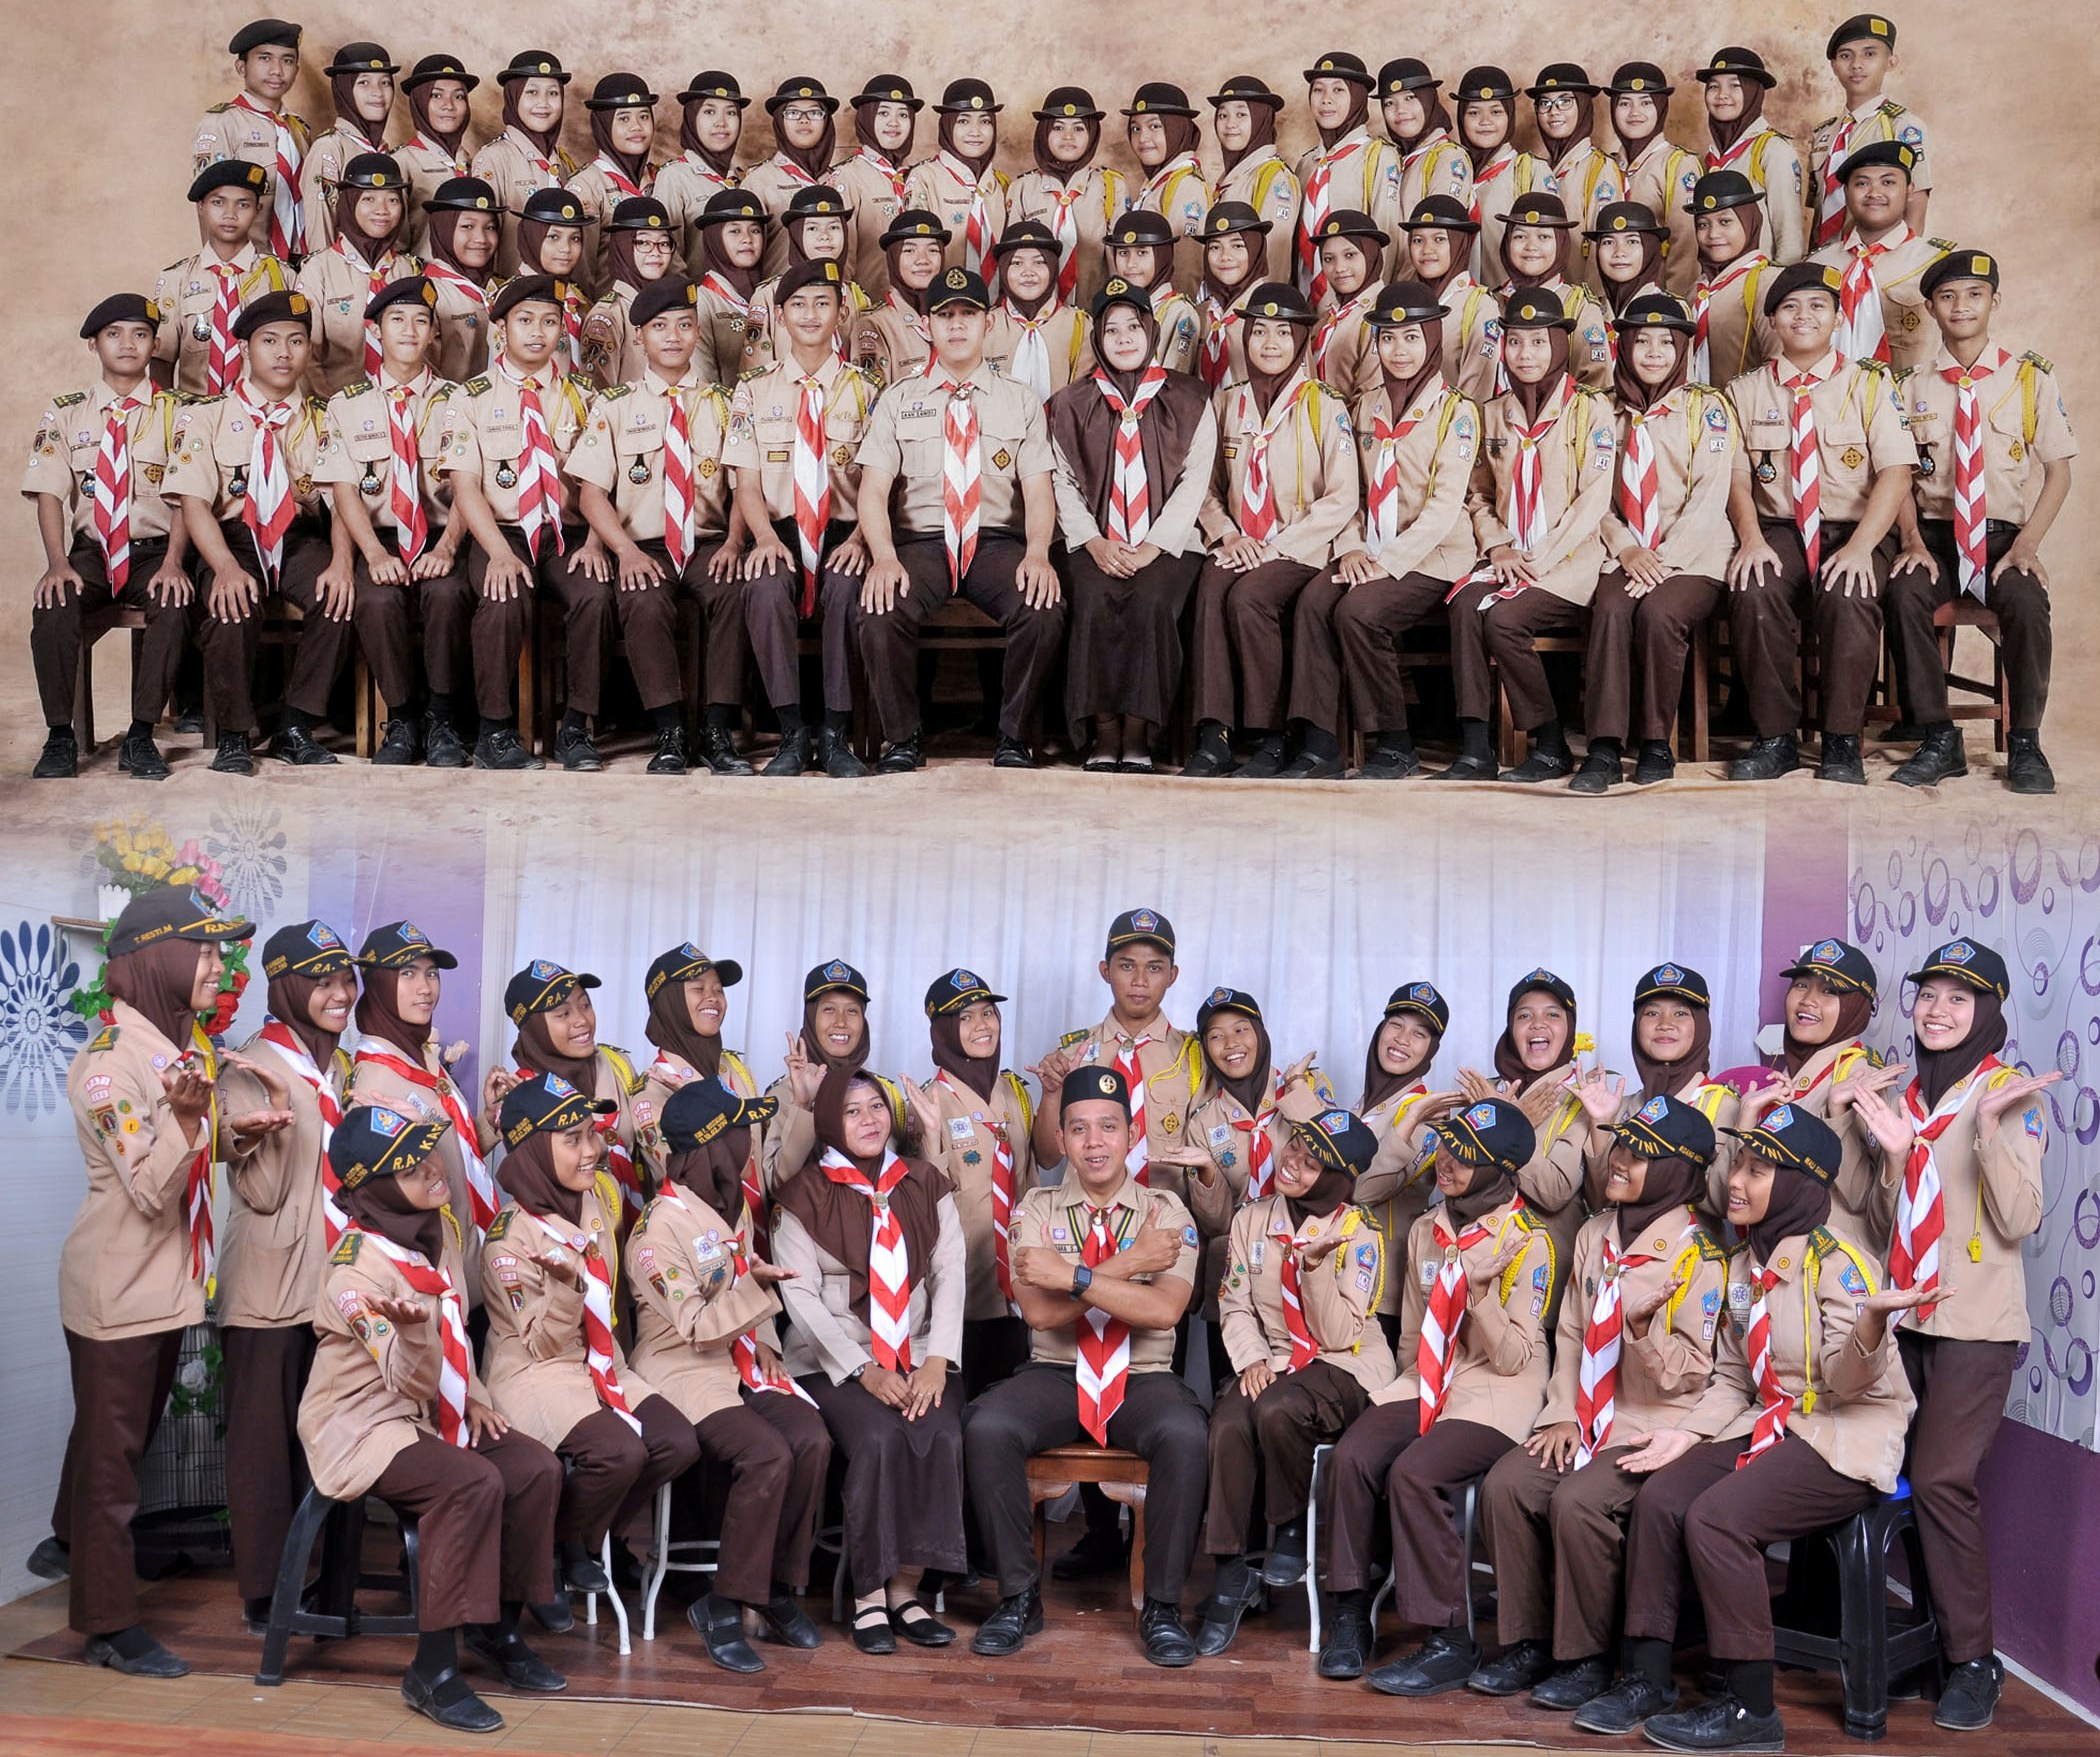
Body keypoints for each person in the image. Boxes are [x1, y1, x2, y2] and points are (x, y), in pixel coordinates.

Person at [1579, 1104, 1915, 1752]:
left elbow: (1850, 1386)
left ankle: (1751, 1707)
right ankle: (1648, 1678)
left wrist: (1871, 1325)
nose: (1735, 1180)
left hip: (1843, 1430)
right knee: (1660, 1496)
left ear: (1798, 1183)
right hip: (1769, 1419)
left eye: (1758, 1171)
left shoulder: (1838, 1261)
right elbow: (1736, 1377)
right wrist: (1687, 1435)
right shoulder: (1743, 1264)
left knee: (1717, 1518)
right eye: (1739, 1164)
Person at [48, 888, 271, 1678]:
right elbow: (148, 1188)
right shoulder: (109, 1066)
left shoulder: (179, 1052)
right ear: (159, 959)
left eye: (219, 952)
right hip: (118, 1293)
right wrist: (187, 1121)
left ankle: (69, 1540)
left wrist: (233, 1133)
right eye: (203, 952)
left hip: (161, 1288)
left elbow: (189, 1152)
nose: (218, 966)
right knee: (115, 1469)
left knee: (116, 1448)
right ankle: (108, 1625)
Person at [300, 1105, 566, 1733]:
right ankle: (433, 1670)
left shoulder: (434, 1233)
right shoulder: (353, 1271)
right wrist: (416, 1338)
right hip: (364, 1424)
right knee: (468, 1482)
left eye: (426, 1152)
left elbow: (454, 1339)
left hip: (430, 1409)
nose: (431, 1168)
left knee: (535, 1467)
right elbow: (407, 1375)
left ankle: (497, 1629)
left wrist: (472, 1394)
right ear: (373, 1187)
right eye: (408, 1166)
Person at [1850, 940, 2055, 1732]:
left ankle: (1975, 1660)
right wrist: (1895, 1155)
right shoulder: (1902, 1093)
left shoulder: (2009, 1093)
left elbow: (2020, 1218)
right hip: (1904, 1315)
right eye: (1929, 994)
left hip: (1974, 1327)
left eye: (1958, 998)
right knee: (1880, 1472)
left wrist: (1990, 1132)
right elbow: (1881, 1220)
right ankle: (1930, 1646)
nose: (1937, 1010)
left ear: (1988, 1011)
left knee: (1939, 1479)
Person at [1472, 1094, 1728, 1713]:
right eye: (1622, 1145)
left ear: (1676, 1171)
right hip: (1584, 1414)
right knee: (1508, 1484)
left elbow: (1689, 1377)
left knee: (1579, 1501)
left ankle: (1585, 1657)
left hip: (1654, 1423)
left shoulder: (1702, 1253)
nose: (1620, 1159)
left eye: (1641, 1154)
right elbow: (1569, 1333)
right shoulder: (1595, 1232)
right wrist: (1562, 1410)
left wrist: (1642, 1333)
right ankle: (1529, 1642)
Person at [965, 1065, 1209, 1666]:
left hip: (1142, 1375)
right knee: (987, 1426)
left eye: (1108, 1126)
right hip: (1057, 1370)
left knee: (1185, 1435)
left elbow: (1163, 1311)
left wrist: (1069, 1275)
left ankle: (1162, 1607)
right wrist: (1131, 1263)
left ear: (1131, 1134)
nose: (1094, 1141)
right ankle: (1018, 1596)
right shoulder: (1036, 1207)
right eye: (1078, 1129)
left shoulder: (1167, 1211)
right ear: (1062, 1138)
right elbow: (1040, 1314)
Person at [1318, 1096, 1555, 1687]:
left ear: (1498, 1169)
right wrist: (1403, 1388)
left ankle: (1448, 1639)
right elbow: (1412, 1333)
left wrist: (1479, 1295)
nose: (1446, 1161)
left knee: (1415, 1473)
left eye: (1466, 1156)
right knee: (1351, 1457)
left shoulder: (1529, 1241)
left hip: (1496, 1392)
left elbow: (1513, 1358)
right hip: (1427, 1379)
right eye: (1447, 1146)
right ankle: (1351, 1610)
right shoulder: (1427, 1228)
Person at [624, 1079, 831, 1671]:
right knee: (766, 1454)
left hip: (739, 1358)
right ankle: (723, 1605)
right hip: (683, 1368)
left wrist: (765, 1340)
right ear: (711, 1146)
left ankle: (775, 1589)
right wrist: (755, 1295)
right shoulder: (656, 1230)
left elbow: (745, 1278)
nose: (749, 1143)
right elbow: (695, 1325)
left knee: (811, 1439)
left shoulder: (726, 1203)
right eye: (740, 1132)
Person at [480, 1072, 701, 1605]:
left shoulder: (594, 1201)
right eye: (573, 1139)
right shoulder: (508, 1240)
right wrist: (564, 1287)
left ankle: (575, 1537)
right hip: (537, 1372)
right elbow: (539, 1345)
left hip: (601, 1362)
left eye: (592, 1135)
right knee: (619, 1453)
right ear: (535, 1149)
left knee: (678, 1442)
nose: (593, 1151)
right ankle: (562, 1549)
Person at [773, 1070, 968, 1653]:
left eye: (877, 1107)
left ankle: (907, 1591)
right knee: (879, 1437)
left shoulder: (925, 1182)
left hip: (919, 1354)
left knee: (938, 1430)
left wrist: (937, 1361)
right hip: (834, 1363)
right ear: (830, 1121)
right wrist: (863, 1370)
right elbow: (799, 1296)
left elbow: (951, 1272)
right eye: (852, 1110)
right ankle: (869, 1598)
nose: (868, 1120)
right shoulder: (803, 1194)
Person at [1197, 1108, 1394, 1655]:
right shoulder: (1252, 1218)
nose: (1293, 1163)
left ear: (1337, 1178)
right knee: (1229, 1422)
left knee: (1278, 1408)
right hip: (1274, 1359)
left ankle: (1289, 1524)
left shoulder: (1360, 1235)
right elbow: (1234, 1302)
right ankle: (1230, 1575)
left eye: (1311, 1163)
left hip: (1344, 1363)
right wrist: (1251, 1361)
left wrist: (1313, 1270)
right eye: (1295, 1148)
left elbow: (1338, 1333)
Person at [854, 266, 1065, 772]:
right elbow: (874, 490)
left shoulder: (1019, 399)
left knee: (1043, 607)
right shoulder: (899, 398)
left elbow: (1038, 490)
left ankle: (1013, 735)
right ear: (927, 325)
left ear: (988, 322)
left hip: (995, 542)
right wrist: (883, 557)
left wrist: (1038, 553)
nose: (955, 325)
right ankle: (903, 737)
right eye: (944, 315)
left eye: (967, 314)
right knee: (880, 611)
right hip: (922, 542)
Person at [1721, 260, 1915, 785]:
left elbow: (1896, 474)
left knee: (1849, 592)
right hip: (1779, 527)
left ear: (1838, 318)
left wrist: (1860, 548)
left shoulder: (1869, 384)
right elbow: (1737, 479)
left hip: (1856, 528)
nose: (1803, 316)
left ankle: (1841, 740)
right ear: (1773, 321)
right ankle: (1776, 738)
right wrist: (1751, 539)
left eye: (1817, 306)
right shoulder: (1745, 391)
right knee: (1753, 587)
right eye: (1789, 307)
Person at [1886, 250, 2072, 794]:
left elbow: (2059, 472)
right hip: (1935, 537)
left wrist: (2027, 545)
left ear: (1995, 301)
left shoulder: (2029, 378)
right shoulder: (1909, 386)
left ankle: (2026, 741)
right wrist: (1912, 539)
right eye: (1946, 296)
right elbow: (1896, 474)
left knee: (2028, 603)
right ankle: (1938, 736)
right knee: (1902, 593)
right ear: (1930, 308)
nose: (1960, 306)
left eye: (1974, 294)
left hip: (2002, 540)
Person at [217, 920, 352, 1630]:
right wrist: (268, 1124)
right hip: (268, 1290)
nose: (340, 994)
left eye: (346, 980)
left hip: (332, 1286)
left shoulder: (342, 1068)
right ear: (289, 986)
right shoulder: (250, 1064)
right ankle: (265, 1595)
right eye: (322, 981)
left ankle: (317, 1580)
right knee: (264, 1447)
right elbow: (263, 1193)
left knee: (322, 1437)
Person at [568, 276, 753, 778]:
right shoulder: (615, 405)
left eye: (684, 325)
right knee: (643, 600)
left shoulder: (724, 402)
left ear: (698, 333)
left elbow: (743, 484)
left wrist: (736, 541)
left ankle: (717, 730)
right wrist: (624, 551)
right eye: (659, 327)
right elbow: (591, 493)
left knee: (734, 592)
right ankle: (669, 730)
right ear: (638, 337)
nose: (673, 336)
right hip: (643, 544)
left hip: (708, 543)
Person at [166, 290, 352, 774]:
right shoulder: (206, 416)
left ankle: (295, 724)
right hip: (231, 538)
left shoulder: (324, 417)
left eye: (296, 341)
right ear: (245, 348)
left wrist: (341, 563)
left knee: (337, 596)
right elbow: (193, 503)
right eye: (269, 340)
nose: (283, 352)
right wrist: (224, 567)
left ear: (309, 350)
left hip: (298, 537)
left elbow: (341, 502)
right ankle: (234, 733)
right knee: (232, 606)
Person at [1434, 289, 1615, 783]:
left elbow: (1593, 500)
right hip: (1507, 556)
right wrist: (1497, 545)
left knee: (1504, 620)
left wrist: (1539, 558)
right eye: (1515, 342)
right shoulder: (1493, 412)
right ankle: (1476, 746)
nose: (1525, 354)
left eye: (1538, 342)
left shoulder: (1590, 411)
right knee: (1463, 606)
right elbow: (1478, 494)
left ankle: (1550, 743)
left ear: (1559, 345)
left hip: (1566, 563)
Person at [1303, 280, 1479, 780]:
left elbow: (1444, 508)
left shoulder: (1457, 412)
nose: (1399, 350)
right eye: (1388, 338)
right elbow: (1351, 491)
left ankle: (1395, 744)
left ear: (1432, 339)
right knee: (1313, 600)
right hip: (1368, 548)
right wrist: (1351, 547)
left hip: (1432, 556)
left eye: (1411, 338)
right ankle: (1319, 742)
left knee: (1359, 613)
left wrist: (1388, 563)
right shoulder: (1365, 405)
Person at [1182, 282, 1358, 779]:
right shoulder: (1226, 402)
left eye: (1284, 333)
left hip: (1302, 547)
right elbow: (1205, 486)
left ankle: (1270, 735)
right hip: (1241, 543)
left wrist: (1275, 548)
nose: (1270, 343)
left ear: (1301, 339)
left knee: (1250, 597)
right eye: (1260, 332)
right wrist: (1227, 536)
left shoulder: (1324, 404)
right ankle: (1214, 733)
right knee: (1210, 586)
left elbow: (1342, 496)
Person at [1049, 278, 1217, 773]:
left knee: (1149, 602)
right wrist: (1093, 542)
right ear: (1098, 338)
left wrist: (1153, 546)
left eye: (1133, 328)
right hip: (1092, 540)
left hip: (1169, 543)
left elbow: (1194, 482)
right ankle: (1103, 731)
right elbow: (1061, 481)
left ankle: (1141, 731)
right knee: (1094, 599)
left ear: (1151, 332)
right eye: (1112, 330)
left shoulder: (1190, 398)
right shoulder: (1070, 403)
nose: (1123, 339)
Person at [438, 275, 601, 771]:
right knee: (503, 598)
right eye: (525, 321)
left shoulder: (584, 395)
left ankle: (576, 728)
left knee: (595, 595)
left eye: (549, 322)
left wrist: (595, 542)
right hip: (501, 531)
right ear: (501, 330)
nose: (537, 331)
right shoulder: (470, 397)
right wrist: (498, 552)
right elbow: (466, 487)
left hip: (566, 533)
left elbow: (602, 481)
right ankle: (494, 731)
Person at [1578, 291, 1740, 791]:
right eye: (1641, 341)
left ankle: (1654, 742)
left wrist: (1664, 560)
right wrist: (1626, 547)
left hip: (1694, 555)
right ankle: (1605, 746)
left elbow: (1710, 497)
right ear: (1624, 347)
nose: (1653, 353)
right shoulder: (1601, 411)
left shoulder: (1707, 408)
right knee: (1610, 610)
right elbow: (1592, 495)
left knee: (1659, 614)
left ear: (1682, 350)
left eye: (1665, 342)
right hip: (1625, 552)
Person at [25, 295, 191, 781]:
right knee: (53, 604)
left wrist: (174, 562)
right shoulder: (66, 413)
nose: (127, 344)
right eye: (113, 334)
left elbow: (188, 496)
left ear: (155, 345)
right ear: (94, 345)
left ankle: (140, 735)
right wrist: (57, 563)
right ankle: (60, 736)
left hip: (154, 553)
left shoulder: (179, 412)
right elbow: (49, 493)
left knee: (174, 602)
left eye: (140, 334)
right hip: (91, 555)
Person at [727, 259, 881, 777]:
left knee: (849, 588)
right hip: (780, 529)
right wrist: (763, 538)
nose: (811, 314)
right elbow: (747, 481)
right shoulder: (753, 389)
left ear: (841, 314)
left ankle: (836, 733)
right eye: (798, 304)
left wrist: (861, 539)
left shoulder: (867, 388)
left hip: (847, 529)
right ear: (780, 315)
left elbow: (880, 482)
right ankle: (791, 732)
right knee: (764, 587)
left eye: (822, 303)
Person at [345, 919, 509, 1280]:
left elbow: (449, 1154)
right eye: (408, 973)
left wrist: (488, 1119)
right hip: (430, 1272)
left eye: (431, 973)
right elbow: (391, 1195)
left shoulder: (421, 1058)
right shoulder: (373, 1081)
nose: (426, 988)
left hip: (467, 1261)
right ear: (379, 983)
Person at [914, 969, 1039, 1397]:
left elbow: (1031, 1176)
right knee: (963, 1405)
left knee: (1015, 1402)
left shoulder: (1014, 1092)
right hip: (963, 1290)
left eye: (988, 1013)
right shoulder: (929, 1101)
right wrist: (931, 1137)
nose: (982, 1025)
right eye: (965, 1017)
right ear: (943, 1030)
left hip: (1023, 1286)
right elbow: (922, 1202)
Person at [1735, 936, 1892, 1244]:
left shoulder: (1860, 1076)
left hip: (1827, 1260)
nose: (1808, 1000)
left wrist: (1836, 1113)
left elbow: (1861, 1196)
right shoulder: (1783, 1076)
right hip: (1770, 1254)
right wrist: (1746, 1116)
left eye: (1830, 991)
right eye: (1801, 985)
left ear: (1855, 1006)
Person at [1573, 962, 1741, 1200]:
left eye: (1681, 1013)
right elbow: (1601, 1201)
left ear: (1702, 1025)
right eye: (1652, 1013)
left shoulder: (1724, 1107)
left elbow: (1720, 1202)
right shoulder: (1621, 1106)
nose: (1665, 1024)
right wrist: (1600, 1122)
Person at [1345, 983, 1455, 1341]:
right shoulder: (1363, 1105)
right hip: (1339, 1276)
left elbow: (1361, 1191)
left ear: (1431, 1050)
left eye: (1419, 1034)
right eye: (1396, 1025)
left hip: (1383, 1287)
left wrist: (1411, 1120)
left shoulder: (1429, 1115)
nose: (1403, 1040)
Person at [503, 962, 650, 1220]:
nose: (582, 1020)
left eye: (585, 1005)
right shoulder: (522, 1093)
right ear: (535, 1026)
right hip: (572, 1228)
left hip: (635, 1222)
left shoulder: (617, 1066)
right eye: (563, 1014)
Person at [760, 958, 912, 1200]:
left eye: (852, 1011)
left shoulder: (884, 1093)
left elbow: (907, 1183)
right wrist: (802, 1106)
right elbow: (775, 1187)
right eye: (829, 1010)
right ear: (811, 1017)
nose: (841, 1022)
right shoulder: (782, 1095)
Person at [631, 943, 764, 1195]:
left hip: (756, 1220)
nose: (713, 997)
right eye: (698, 989)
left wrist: (800, 1104)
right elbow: (703, 1178)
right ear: (671, 1002)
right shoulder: (651, 1095)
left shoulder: (737, 1072)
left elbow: (764, 1171)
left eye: (718, 989)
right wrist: (703, 1101)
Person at [153, 162, 290, 401]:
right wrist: (166, 413)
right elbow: (161, 360)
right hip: (195, 412)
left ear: (258, 210)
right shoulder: (176, 279)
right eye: (218, 202)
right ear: (201, 207)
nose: (230, 214)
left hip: (261, 413)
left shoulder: (281, 276)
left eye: (243, 204)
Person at [1810, 142, 1949, 373]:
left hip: (1909, 393)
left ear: (1909, 190)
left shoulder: (1938, 263)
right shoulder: (1818, 264)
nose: (1874, 193)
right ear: (1846, 192)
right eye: (1862, 183)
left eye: (1888, 182)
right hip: (1831, 393)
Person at [294, 153, 422, 399]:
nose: (382, 210)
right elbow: (306, 355)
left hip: (402, 405)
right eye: (368, 199)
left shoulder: (408, 270)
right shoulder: (318, 270)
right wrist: (334, 407)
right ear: (349, 203)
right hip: (335, 405)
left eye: (392, 200)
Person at [191, 19, 311, 262]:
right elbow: (212, 205)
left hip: (301, 262)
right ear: (241, 67)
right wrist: (223, 272)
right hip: (251, 263)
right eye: (265, 58)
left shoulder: (298, 129)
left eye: (287, 60)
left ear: (296, 70)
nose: (277, 70)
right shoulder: (222, 123)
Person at [1810, 13, 1932, 247]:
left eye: (1869, 54)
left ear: (1890, 62)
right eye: (1845, 56)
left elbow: (1915, 210)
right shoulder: (1823, 134)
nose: (1856, 64)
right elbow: (1817, 212)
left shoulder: (1903, 126)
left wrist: (1898, 262)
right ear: (1834, 66)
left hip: (1874, 257)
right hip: (1824, 258)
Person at [1293, 53, 1402, 305]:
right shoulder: (1306, 164)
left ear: (1357, 97)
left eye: (1338, 90)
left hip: (1355, 302)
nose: (1326, 99)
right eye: (1318, 90)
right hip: (1304, 303)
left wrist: (1372, 304)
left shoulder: (1377, 157)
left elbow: (1388, 236)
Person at [1008, 87, 1129, 311]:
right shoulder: (1022, 189)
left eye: (1079, 128)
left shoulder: (1110, 187)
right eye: (1058, 127)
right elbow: (1010, 260)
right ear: (1044, 132)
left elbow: (1119, 262)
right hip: (1037, 315)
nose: (1068, 136)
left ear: (1092, 134)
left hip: (1094, 312)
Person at [741, 187, 875, 376]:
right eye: (812, 228)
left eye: (834, 227)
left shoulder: (857, 296)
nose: (825, 236)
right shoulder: (769, 296)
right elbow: (757, 373)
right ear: (796, 234)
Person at [1695, 48, 1807, 267]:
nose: (1722, 95)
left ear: (1753, 92)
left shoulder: (1772, 150)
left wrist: (1780, 281)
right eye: (1714, 87)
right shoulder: (1710, 157)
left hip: (1757, 280)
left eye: (1734, 86)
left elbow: (1789, 237)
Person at [471, 51, 577, 277]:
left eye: (553, 93)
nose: (543, 103)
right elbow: (480, 241)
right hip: (513, 289)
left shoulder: (562, 163)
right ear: (513, 96)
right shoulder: (494, 158)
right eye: (532, 92)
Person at [1495, 194, 1612, 391]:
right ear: (1507, 242)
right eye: (1520, 236)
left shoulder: (1579, 307)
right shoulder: (1493, 301)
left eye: (1544, 237)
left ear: (1561, 242)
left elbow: (1596, 384)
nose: (1531, 246)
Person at [1453, 68, 1555, 289]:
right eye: (1474, 113)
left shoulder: (1530, 171)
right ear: (1461, 118)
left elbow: (1550, 248)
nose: (1485, 121)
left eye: (1496, 112)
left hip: (1514, 299)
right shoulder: (1454, 171)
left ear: (1510, 115)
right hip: (1457, 300)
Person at [1607, 64, 1700, 297]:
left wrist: (1676, 301)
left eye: (1646, 103)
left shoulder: (1677, 164)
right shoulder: (1605, 166)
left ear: (1660, 107)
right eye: (1624, 103)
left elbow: (1685, 243)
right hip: (1610, 296)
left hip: (1656, 298)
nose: (1634, 112)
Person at [568, 74, 663, 299]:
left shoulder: (660, 178)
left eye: (644, 116)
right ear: (603, 124)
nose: (636, 127)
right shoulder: (586, 186)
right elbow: (580, 272)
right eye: (623, 119)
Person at [1400, 197, 1502, 404]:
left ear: (1459, 244)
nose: (1427, 250)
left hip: (1451, 419)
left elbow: (1476, 391)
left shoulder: (1479, 306)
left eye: (1439, 239)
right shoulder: (1400, 299)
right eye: (1418, 240)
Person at [1527, 65, 1622, 289]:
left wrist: (1591, 304)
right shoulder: (1535, 168)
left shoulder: (1599, 168)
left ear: (1583, 105)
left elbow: (1605, 245)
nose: (1554, 111)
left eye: (1565, 101)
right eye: (1545, 103)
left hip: (1578, 298)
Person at [300, 42, 397, 255]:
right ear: (344, 90)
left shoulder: (386, 152)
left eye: (385, 83)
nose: (377, 93)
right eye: (364, 83)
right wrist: (327, 272)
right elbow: (320, 238)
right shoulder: (330, 149)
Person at [1687, 171, 1779, 389]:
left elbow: (1778, 367)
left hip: (1746, 406)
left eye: (1725, 221)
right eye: (1703, 224)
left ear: (1749, 221)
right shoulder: (1696, 290)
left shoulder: (1767, 282)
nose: (1713, 234)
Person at [745, 78, 846, 275]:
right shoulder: (758, 182)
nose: (804, 120)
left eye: (815, 113)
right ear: (779, 121)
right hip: (780, 291)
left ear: (827, 122)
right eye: (792, 113)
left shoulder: (843, 179)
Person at [907, 79, 1008, 274]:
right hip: (942, 292)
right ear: (947, 125)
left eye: (985, 121)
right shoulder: (924, 178)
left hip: (996, 293)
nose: (975, 132)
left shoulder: (1002, 184)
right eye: (963, 121)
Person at [985, 219, 1093, 401]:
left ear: (1053, 268)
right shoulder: (986, 325)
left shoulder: (1079, 326)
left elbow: (1084, 396)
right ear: (1003, 269)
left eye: (1039, 262)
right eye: (1016, 263)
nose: (1028, 272)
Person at [1206, 76, 1300, 284]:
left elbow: (1274, 261)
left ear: (1260, 120)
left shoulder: (1273, 178)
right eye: (1222, 115)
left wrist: (1263, 304)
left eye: (1241, 114)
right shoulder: (1233, 176)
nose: (1230, 124)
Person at [832, 76, 919, 297]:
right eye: (883, 113)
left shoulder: (918, 176)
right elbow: (842, 262)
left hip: (919, 308)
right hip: (869, 307)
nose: (894, 123)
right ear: (867, 117)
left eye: (903, 115)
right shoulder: (848, 177)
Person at [657, 72, 749, 267]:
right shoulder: (674, 177)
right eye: (709, 112)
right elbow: (668, 257)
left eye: (731, 113)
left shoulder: (745, 177)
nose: (721, 122)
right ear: (692, 117)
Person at [419, 176, 503, 385]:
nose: (481, 239)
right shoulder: (428, 294)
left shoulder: (501, 290)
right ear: (444, 229)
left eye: (490, 227)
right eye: (467, 226)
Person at [1122, 81, 1208, 283]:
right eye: (1136, 128)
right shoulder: (1157, 181)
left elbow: (1186, 268)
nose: (1142, 138)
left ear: (1176, 129)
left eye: (1155, 126)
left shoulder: (1186, 184)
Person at [851, 210, 948, 389]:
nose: (923, 260)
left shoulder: (955, 318)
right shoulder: (875, 325)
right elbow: (872, 396)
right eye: (909, 250)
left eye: (933, 250)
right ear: (893, 259)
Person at [395, 54, 480, 253]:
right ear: (419, 101)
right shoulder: (402, 163)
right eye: (436, 95)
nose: (448, 105)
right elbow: (396, 245)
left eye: (458, 97)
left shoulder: (475, 162)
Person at [689, 190, 771, 389]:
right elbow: (704, 381)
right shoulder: (702, 300)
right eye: (735, 231)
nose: (747, 239)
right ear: (715, 239)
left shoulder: (772, 293)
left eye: (755, 230)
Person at [1103, 210, 1202, 374]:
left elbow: (1174, 381)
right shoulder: (1112, 309)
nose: (1131, 264)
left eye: (1142, 253)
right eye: (1123, 253)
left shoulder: (1179, 312)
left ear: (1162, 256)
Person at [1307, 210, 1389, 401]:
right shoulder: (1329, 315)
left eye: (1350, 255)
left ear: (1371, 255)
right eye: (1329, 259)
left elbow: (1370, 396)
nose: (1339, 268)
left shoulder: (1381, 315)